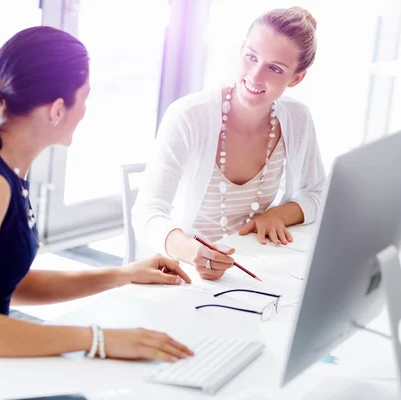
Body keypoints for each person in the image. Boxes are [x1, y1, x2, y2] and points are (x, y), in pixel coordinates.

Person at [0, 26, 193, 387]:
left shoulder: (2, 169)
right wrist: (99, 339)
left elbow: (5, 284)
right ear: (56, 110)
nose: (85, 110)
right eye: (84, 97)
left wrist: (123, 274)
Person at [132, 7, 326, 281]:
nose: (255, 77)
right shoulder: (188, 116)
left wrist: (279, 214)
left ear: (296, 78)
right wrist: (192, 252)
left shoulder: (297, 118)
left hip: (257, 269)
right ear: (241, 49)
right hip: (186, 272)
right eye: (251, 57)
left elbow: (317, 192)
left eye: (274, 68)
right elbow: (147, 213)